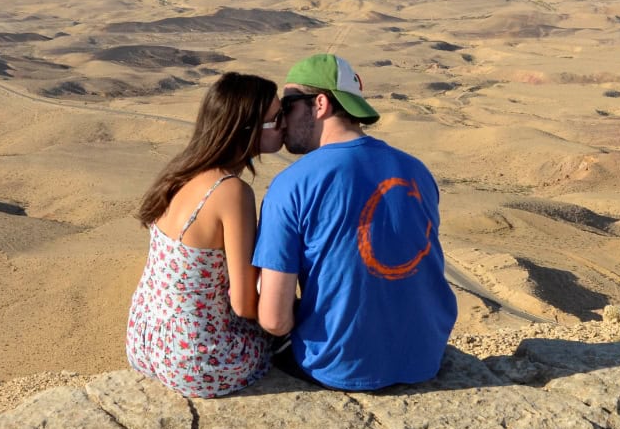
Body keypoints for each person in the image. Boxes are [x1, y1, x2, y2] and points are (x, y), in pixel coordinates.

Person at [254, 53, 457, 390]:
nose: (282, 122)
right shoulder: (417, 170)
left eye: (287, 107)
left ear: (319, 104)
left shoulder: (292, 184)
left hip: (339, 367)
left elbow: (275, 321)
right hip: (425, 357)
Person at [126, 72, 283, 397]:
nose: (284, 125)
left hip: (145, 339)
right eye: (277, 119)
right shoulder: (231, 192)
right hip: (196, 358)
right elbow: (243, 304)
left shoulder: (181, 172)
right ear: (248, 129)